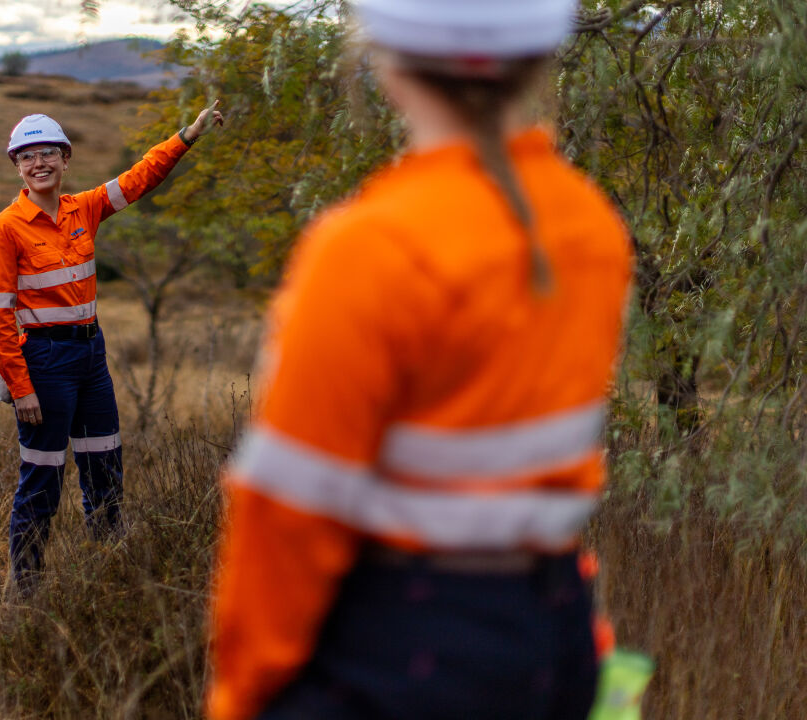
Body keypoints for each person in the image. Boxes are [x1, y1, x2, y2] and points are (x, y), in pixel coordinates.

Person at [207, 1, 633, 718]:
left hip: (401, 649)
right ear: (538, 57)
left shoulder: (370, 249)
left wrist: (242, 699)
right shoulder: (590, 226)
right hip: (553, 633)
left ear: (385, 60)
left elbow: (287, 513)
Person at [0, 104, 224, 585]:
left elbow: (140, 178)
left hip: (91, 357)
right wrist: (20, 386)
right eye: (27, 157)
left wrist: (188, 135)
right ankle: (25, 591)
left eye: (48, 152)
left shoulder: (84, 208)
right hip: (45, 364)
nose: (39, 163)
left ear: (65, 159)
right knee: (43, 479)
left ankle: (107, 580)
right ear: (17, 168)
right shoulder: (4, 229)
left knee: (105, 470)